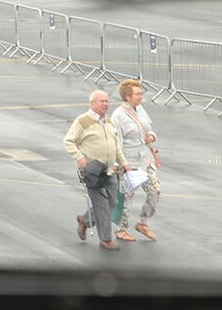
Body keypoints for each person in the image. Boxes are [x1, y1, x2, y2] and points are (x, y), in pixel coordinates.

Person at [65, 88, 125, 251]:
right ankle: (106, 239)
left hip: (110, 169)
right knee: (102, 206)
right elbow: (69, 141)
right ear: (92, 104)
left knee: (112, 203)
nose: (105, 104)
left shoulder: (108, 121)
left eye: (107, 101)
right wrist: (80, 158)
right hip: (92, 170)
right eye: (102, 101)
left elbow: (115, 145)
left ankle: (85, 221)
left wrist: (124, 163)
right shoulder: (82, 121)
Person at [110, 79, 162, 242]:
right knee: (126, 197)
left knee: (155, 191)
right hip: (129, 163)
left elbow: (149, 127)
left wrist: (152, 136)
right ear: (127, 97)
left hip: (145, 160)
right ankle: (121, 229)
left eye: (141, 93)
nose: (141, 96)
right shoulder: (118, 116)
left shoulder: (141, 110)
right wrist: (119, 164)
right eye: (138, 94)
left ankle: (143, 222)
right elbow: (116, 142)